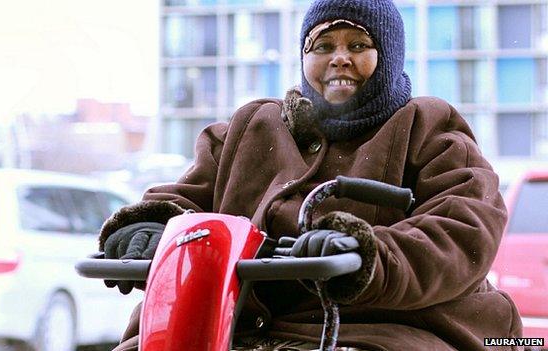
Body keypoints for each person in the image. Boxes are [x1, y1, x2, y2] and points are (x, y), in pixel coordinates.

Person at [98, 0, 523, 350]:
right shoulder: (250, 127)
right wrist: (152, 224)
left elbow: (463, 226)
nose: (340, 57)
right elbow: (188, 198)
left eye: (358, 45)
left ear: (388, 57)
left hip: (376, 329)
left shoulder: (427, 126)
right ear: (305, 58)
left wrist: (366, 255)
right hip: (228, 326)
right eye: (323, 46)